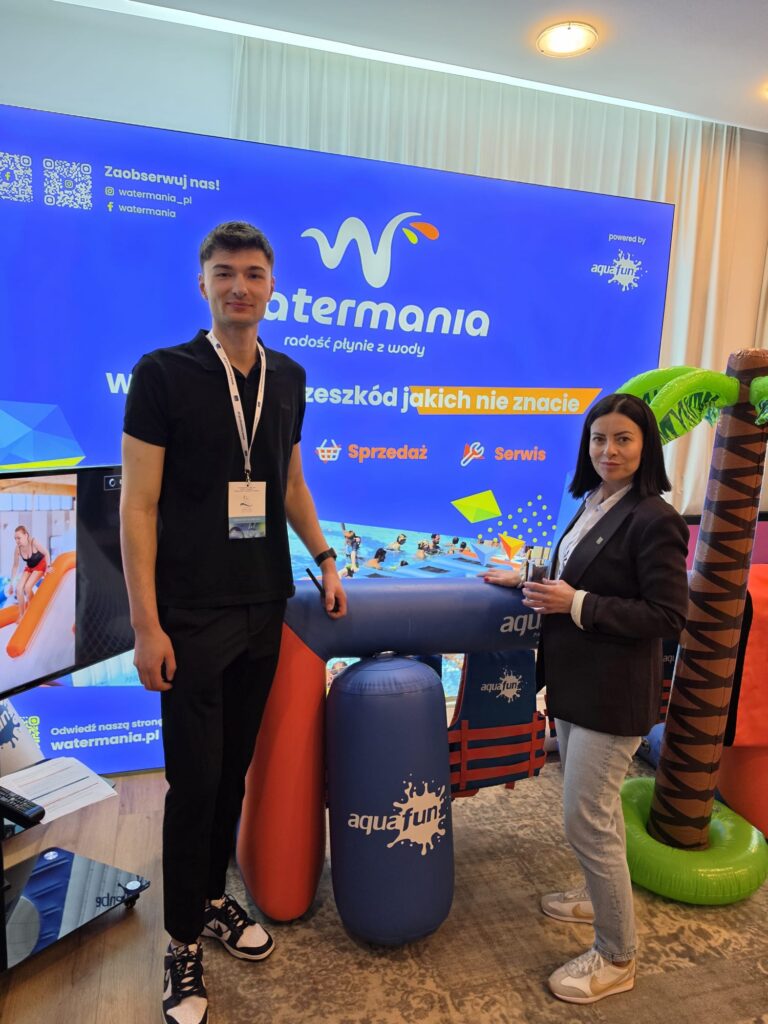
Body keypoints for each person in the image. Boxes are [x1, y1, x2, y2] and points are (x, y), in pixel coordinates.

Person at [120, 221, 347, 1024]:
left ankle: (212, 898)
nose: (239, 286)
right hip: (187, 615)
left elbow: (287, 483)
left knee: (233, 774)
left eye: (253, 274)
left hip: (263, 604)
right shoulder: (162, 374)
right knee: (194, 783)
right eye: (225, 273)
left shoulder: (289, 377)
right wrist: (146, 627)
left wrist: (324, 557)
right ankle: (181, 943)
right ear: (204, 284)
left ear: (272, 287)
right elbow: (137, 505)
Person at [483, 393, 688, 1004]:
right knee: (593, 815)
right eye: (599, 439)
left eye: (623, 439)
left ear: (646, 446)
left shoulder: (655, 518)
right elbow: (579, 574)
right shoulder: (593, 500)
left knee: (586, 819)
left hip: (613, 695)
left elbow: (668, 616)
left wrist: (574, 603)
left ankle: (618, 957)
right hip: (576, 684)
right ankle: (597, 897)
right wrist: (527, 579)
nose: (609, 451)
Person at [10, 526, 50, 619]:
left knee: (27, 587)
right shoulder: (17, 549)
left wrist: (48, 567)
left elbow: (46, 553)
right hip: (30, 567)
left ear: (26, 535)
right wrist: (11, 584)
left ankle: (34, 608)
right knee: (19, 588)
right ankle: (22, 614)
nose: (17, 541)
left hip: (40, 565)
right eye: (15, 538)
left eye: (19, 538)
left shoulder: (33, 542)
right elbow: (15, 566)